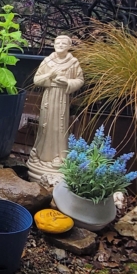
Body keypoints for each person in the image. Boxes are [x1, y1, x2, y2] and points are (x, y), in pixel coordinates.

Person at [27, 35, 85, 186]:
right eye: (57, 42)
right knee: (45, 126)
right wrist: (50, 75)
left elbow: (80, 80)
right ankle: (40, 156)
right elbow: (37, 80)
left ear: (69, 46)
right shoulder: (48, 61)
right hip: (48, 97)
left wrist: (67, 82)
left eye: (63, 43)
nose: (59, 45)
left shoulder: (73, 63)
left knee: (59, 127)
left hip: (62, 99)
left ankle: (59, 157)